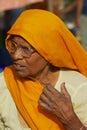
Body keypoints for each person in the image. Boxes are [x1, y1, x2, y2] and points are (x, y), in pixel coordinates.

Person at [0, 9, 87, 130]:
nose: (15, 55)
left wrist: (70, 119)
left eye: (26, 49)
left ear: (48, 52)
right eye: (13, 45)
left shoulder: (79, 88)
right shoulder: (4, 83)